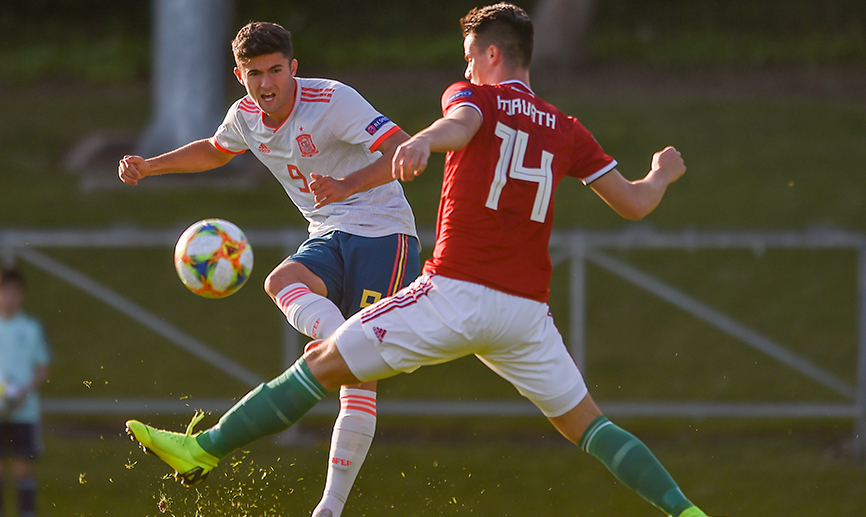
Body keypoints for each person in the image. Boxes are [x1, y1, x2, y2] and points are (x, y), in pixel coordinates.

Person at [125, 5, 715, 517]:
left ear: (488, 55)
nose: (464, 69)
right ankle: (685, 509)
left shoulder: (472, 96)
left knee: (325, 365)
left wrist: (424, 141)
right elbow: (635, 202)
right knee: (590, 426)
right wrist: (661, 173)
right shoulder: (567, 129)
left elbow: (461, 125)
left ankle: (203, 450)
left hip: (454, 292)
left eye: (467, 57)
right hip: (526, 315)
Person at [118, 22, 421, 517]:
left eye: (276, 70)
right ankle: (344, 340)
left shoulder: (332, 101)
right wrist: (151, 166)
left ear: (292, 68)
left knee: (357, 381)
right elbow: (216, 150)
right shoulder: (244, 117)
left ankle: (330, 507)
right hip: (327, 231)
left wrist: (347, 185)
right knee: (282, 283)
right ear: (239, 75)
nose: (267, 83)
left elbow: (404, 151)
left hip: (383, 235)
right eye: (254, 73)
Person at [0, 268, 51, 517]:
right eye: (4, 292)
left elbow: (42, 368)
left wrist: (23, 392)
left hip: (24, 412)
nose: (8, 298)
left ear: (22, 295)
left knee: (23, 468)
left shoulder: (30, 328)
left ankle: (26, 513)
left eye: (13, 293)